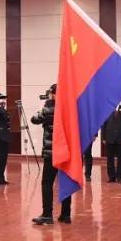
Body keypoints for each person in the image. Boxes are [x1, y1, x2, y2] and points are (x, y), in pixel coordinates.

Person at [31, 84, 70, 225]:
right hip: (66, 152)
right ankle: (66, 214)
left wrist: (43, 106)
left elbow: (34, 119)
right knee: (65, 183)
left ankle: (47, 214)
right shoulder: (69, 108)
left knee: (47, 182)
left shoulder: (49, 108)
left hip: (51, 152)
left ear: (53, 94)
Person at [101, 105, 121, 182]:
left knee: (120, 158)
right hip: (109, 138)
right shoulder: (106, 109)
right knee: (110, 158)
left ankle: (119, 177)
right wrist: (103, 137)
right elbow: (103, 124)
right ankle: (111, 177)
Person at [0, 94, 11, 184]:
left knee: (3, 160)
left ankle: (1, 177)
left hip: (5, 138)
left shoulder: (4, 110)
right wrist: (0, 106)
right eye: (2, 99)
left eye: (5, 100)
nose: (4, 101)